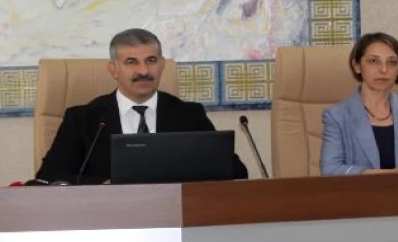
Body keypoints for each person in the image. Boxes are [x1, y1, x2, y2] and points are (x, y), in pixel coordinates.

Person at [35, 28, 248, 184]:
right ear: (113, 69)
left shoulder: (189, 115)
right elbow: (49, 176)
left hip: (174, 214)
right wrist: (106, 185)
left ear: (162, 65)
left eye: (151, 60)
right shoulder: (83, 119)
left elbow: (236, 172)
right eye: (131, 62)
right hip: (106, 218)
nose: (144, 71)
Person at [320, 32, 398, 176]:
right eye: (374, 61)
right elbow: (330, 170)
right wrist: (394, 174)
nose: (384, 70)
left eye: (392, 62)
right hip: (361, 190)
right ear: (357, 66)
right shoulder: (337, 116)